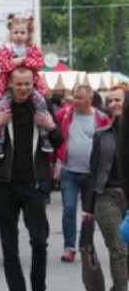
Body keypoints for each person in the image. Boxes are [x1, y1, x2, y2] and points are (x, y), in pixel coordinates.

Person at [0, 66, 63, 291]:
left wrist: (50, 125)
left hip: (34, 183)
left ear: (33, 83)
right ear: (10, 84)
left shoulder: (42, 105)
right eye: (19, 84)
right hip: (5, 184)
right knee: (10, 247)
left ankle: (39, 290)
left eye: (28, 84)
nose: (24, 89)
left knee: (39, 241)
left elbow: (58, 140)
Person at [82, 97, 129, 291]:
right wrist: (88, 206)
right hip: (106, 196)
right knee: (118, 248)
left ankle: (117, 288)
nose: (115, 103)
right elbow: (94, 171)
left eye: (119, 100)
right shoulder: (102, 136)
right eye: (111, 100)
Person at [55, 85, 111, 262]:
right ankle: (69, 247)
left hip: (92, 174)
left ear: (90, 98)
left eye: (79, 98)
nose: (75, 101)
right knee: (69, 209)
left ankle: (84, 246)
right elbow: (54, 131)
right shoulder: (65, 114)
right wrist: (56, 156)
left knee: (89, 212)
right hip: (69, 171)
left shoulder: (101, 118)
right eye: (74, 97)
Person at [0, 14, 51, 160]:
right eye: (16, 32)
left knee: (42, 103)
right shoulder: (5, 49)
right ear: (10, 33)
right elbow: (3, 66)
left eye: (22, 32)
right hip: (8, 87)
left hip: (33, 86)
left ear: (28, 33)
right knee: (2, 109)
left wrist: (19, 60)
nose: (19, 36)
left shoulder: (33, 49)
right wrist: (22, 62)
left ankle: (44, 136)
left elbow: (38, 64)